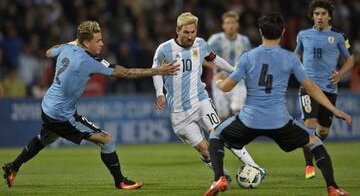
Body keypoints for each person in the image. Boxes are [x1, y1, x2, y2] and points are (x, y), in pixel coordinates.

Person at [2, 20, 179, 189]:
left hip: (47, 106)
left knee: (46, 138)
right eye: (98, 40)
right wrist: (158, 71)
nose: (102, 44)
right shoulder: (87, 61)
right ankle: (121, 182)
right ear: (86, 43)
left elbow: (49, 52)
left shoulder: (68, 47)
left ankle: (13, 166)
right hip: (62, 114)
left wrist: (73, 42)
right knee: (107, 140)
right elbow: (125, 73)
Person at [204, 12, 351, 196]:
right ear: (283, 32)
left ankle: (219, 178)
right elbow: (311, 87)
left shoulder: (248, 57)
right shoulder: (290, 58)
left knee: (216, 134)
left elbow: (226, 87)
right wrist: (333, 109)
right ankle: (333, 188)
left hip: (249, 120)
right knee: (315, 142)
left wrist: (218, 80)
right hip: (279, 121)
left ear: (260, 32)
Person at [152, 12, 264, 182]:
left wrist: (234, 72)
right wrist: (160, 93)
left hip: (200, 100)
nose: (190, 36)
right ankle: (223, 175)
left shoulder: (200, 44)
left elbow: (215, 59)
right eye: (186, 32)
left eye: (193, 32)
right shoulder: (164, 49)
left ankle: (255, 167)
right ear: (177, 30)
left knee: (221, 134)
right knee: (204, 149)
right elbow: (155, 72)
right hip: (179, 112)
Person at [294, 0, 354, 180]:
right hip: (308, 87)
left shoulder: (339, 36)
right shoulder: (303, 34)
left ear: (329, 16)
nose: (319, 17)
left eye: (323, 14)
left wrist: (340, 74)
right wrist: (298, 67)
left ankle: (315, 147)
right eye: (316, 13)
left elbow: (351, 58)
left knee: (323, 131)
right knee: (309, 124)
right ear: (312, 16)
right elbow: (296, 53)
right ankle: (309, 165)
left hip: (329, 89)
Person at [205, 10, 251, 121]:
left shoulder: (244, 41)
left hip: (238, 81)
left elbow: (250, 61)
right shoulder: (215, 40)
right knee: (223, 116)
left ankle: (238, 137)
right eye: (228, 22)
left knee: (238, 111)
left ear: (237, 25)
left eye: (233, 22)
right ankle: (226, 137)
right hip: (219, 80)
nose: (231, 25)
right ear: (223, 25)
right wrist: (215, 67)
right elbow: (202, 58)